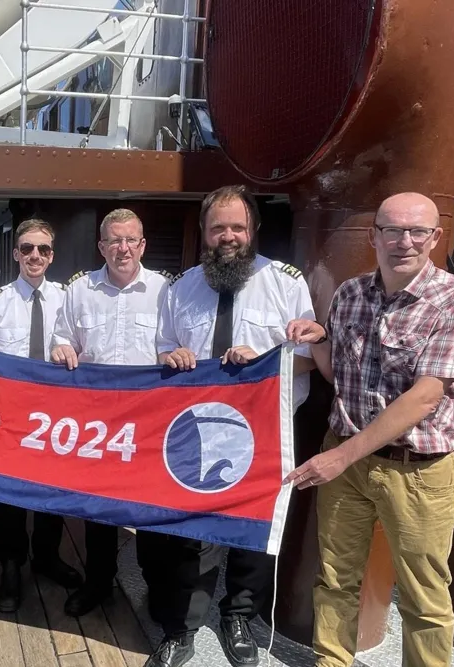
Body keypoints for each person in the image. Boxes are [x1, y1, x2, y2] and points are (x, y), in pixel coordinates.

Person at [286, 192, 454, 667]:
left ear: (435, 237)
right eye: (392, 230)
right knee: (336, 578)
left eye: (417, 231)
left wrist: (340, 457)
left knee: (424, 598)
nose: (404, 241)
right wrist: (319, 339)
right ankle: (332, 660)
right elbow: (335, 375)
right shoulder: (349, 293)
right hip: (345, 461)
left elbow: (426, 396)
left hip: (419, 474)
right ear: (374, 236)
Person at [152, 185, 317, 667]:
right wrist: (171, 356)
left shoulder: (287, 284)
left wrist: (263, 360)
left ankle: (239, 616)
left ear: (254, 231)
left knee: (251, 534)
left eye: (237, 228)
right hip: (198, 431)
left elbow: (308, 358)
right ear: (204, 233)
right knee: (193, 533)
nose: (228, 236)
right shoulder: (180, 287)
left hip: (264, 433)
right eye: (218, 228)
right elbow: (162, 347)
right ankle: (182, 627)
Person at [50, 208, 171, 617]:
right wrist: (61, 348)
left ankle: (156, 586)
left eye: (130, 240)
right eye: (114, 240)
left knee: (150, 508)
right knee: (97, 510)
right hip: (97, 421)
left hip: (150, 421)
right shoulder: (79, 290)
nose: (123, 248)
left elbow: (178, 345)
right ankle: (98, 582)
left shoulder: (165, 291)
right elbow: (62, 338)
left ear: (142, 245)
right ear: (102, 246)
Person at [0, 218, 83, 613]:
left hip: (56, 418)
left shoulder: (68, 298)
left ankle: (47, 557)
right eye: (28, 248)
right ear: (16, 253)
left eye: (44, 249)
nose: (35, 256)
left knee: (52, 491)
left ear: (52, 255)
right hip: (12, 419)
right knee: (10, 496)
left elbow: (81, 348)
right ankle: (12, 565)